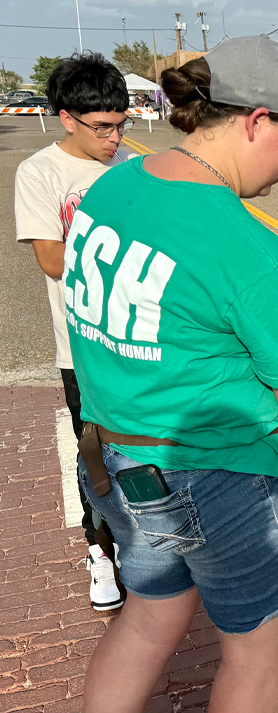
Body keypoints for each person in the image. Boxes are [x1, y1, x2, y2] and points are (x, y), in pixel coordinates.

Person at [66, 38, 278, 713]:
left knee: (152, 614)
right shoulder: (248, 253)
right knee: (262, 643)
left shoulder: (116, 186)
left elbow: (181, 299)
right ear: (256, 120)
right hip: (218, 477)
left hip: (117, 459)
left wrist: (268, 282)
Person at [13, 51, 133, 612]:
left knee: (144, 446)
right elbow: (52, 261)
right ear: (66, 117)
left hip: (140, 339)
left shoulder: (132, 168)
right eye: (102, 127)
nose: (114, 138)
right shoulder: (40, 173)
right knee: (96, 454)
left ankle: (146, 543)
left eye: (120, 124)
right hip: (82, 347)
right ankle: (100, 553)